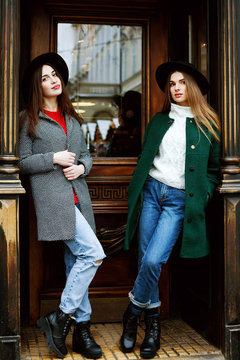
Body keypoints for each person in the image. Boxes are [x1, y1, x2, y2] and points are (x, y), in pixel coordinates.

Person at [120, 61, 221, 358]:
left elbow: (213, 171)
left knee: (153, 261)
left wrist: (201, 195)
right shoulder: (158, 120)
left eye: (182, 83)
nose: (176, 88)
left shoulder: (209, 124)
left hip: (178, 201)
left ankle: (131, 314)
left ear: (194, 87)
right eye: (172, 84)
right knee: (143, 261)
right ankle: (153, 327)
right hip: (151, 193)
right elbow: (145, 157)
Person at [19, 52, 106, 359]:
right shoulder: (28, 118)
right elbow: (21, 162)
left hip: (78, 197)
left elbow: (86, 156)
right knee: (93, 254)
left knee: (76, 262)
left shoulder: (71, 117)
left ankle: (81, 332)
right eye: (45, 77)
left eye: (54, 74)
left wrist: (82, 168)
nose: (53, 80)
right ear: (37, 85)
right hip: (54, 201)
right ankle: (60, 316)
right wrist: (52, 158)